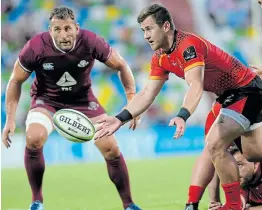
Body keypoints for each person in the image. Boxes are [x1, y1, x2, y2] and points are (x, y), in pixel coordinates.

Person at [94, 4, 262, 210]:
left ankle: (232, 206)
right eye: (142, 31)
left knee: (215, 142)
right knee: (248, 152)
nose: (145, 36)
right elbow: (147, 93)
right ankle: (211, 204)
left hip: (247, 90)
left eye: (149, 29)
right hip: (227, 97)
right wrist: (119, 118)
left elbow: (196, 85)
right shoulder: (160, 57)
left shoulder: (188, 45)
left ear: (165, 26)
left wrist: (183, 115)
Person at [2, 6, 141, 210]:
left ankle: (129, 205)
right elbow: (15, 81)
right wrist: (10, 120)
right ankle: (37, 201)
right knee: (33, 138)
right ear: (50, 30)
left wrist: (131, 102)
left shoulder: (91, 41)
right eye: (57, 29)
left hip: (83, 101)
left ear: (76, 28)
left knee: (111, 148)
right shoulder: (35, 47)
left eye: (67, 28)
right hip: (46, 100)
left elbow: (121, 65)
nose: (63, 35)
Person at [209, 144, 262, 210]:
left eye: (239, 165)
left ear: (256, 164)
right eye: (232, 167)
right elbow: (239, 203)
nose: (235, 172)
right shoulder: (242, 181)